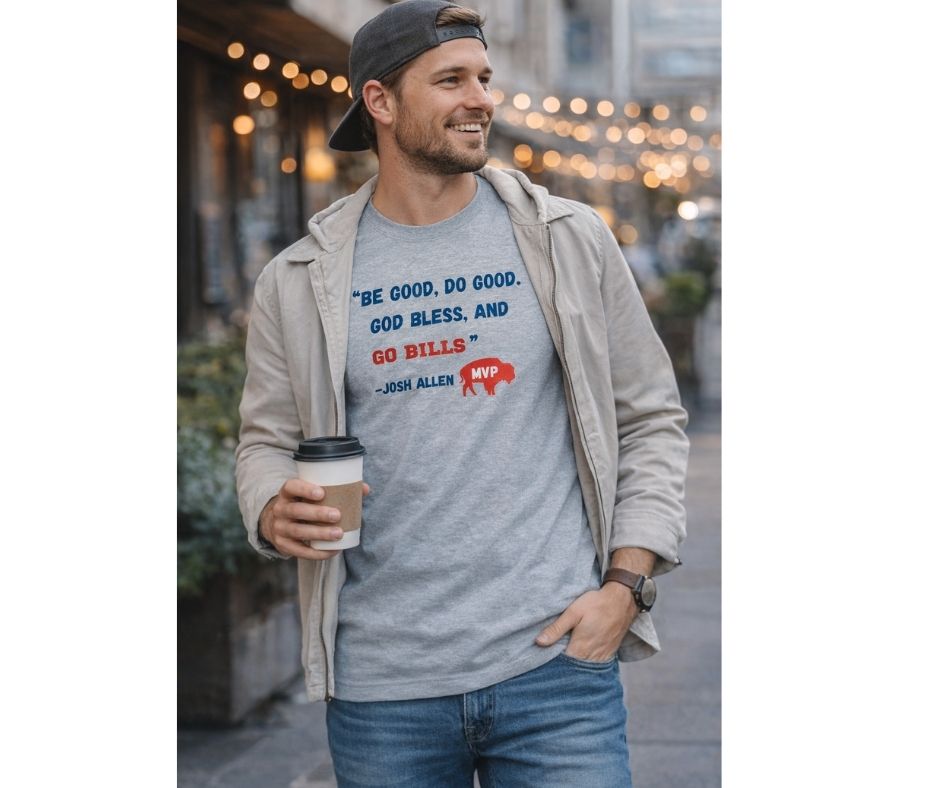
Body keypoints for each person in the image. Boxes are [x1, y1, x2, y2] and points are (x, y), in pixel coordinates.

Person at [235, 1, 689, 785]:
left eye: (484, 77)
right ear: (380, 102)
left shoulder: (567, 239)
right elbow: (265, 440)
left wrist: (626, 586)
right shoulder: (299, 279)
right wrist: (272, 507)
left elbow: (649, 416)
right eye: (450, 79)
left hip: (556, 670)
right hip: (384, 688)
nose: (480, 98)